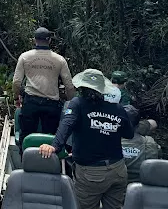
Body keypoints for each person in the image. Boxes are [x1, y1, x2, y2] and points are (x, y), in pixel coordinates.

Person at [39, 69, 134, 209]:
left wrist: (54, 146)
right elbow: (129, 134)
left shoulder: (78, 104)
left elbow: (67, 124)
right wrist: (108, 127)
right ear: (102, 89)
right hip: (118, 170)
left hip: (91, 174)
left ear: (82, 88)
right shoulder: (117, 108)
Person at [12, 27, 76, 149]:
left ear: (34, 40)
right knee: (50, 138)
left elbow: (16, 82)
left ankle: (25, 160)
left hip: (30, 103)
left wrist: (16, 98)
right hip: (51, 105)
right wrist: (70, 101)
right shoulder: (59, 59)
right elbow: (69, 86)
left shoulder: (25, 57)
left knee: (25, 136)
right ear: (50, 40)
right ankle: (48, 163)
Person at [121, 106, 161, 183]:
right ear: (139, 124)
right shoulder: (148, 142)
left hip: (117, 186)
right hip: (141, 184)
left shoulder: (109, 142)